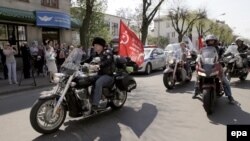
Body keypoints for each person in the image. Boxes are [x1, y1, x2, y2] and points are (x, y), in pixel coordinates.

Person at [193, 34, 235, 103]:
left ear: (215, 41)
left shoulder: (220, 49)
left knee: (225, 81)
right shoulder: (203, 49)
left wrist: (224, 59)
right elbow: (200, 56)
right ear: (207, 41)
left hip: (216, 66)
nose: (211, 42)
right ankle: (195, 91)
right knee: (198, 77)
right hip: (205, 66)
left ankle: (230, 96)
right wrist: (197, 60)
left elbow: (224, 55)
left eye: (212, 41)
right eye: (209, 41)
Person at [83, 37, 115, 110]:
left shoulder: (107, 52)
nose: (94, 46)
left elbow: (107, 61)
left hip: (108, 76)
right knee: (87, 79)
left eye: (96, 45)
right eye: (94, 45)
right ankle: (88, 100)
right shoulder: (94, 54)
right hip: (99, 75)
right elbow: (88, 60)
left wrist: (99, 65)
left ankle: (95, 104)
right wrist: (79, 63)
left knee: (98, 82)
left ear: (101, 46)